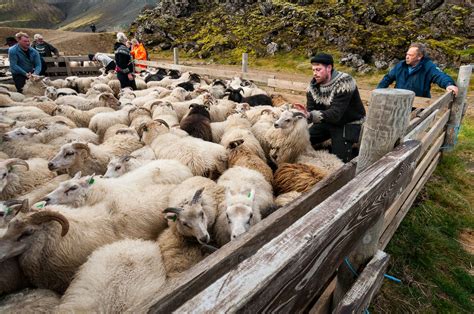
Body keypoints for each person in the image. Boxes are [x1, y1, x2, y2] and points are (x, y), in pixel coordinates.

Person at [306, 53, 366, 163]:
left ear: (329, 68)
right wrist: (302, 114)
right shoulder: (312, 87)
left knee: (339, 160)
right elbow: (310, 109)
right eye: (313, 70)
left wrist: (310, 115)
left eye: (318, 69)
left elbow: (336, 113)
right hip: (327, 121)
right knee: (302, 139)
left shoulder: (345, 82)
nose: (315, 73)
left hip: (348, 123)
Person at [377, 43, 458, 98]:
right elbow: (387, 78)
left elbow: (439, 76)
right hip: (399, 102)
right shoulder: (401, 65)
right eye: (407, 54)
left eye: (410, 55)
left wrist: (449, 84)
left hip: (418, 105)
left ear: (419, 56)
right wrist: (377, 92)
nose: (407, 57)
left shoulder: (428, 66)